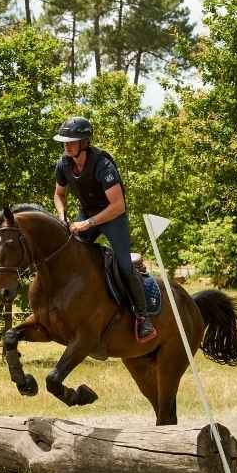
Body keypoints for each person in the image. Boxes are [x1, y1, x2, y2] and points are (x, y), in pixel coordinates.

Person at [52, 116, 156, 340]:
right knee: (68, 254)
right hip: (86, 213)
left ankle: (143, 317)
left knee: (124, 266)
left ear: (85, 143)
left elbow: (118, 206)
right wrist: (62, 217)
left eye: (72, 141)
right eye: (65, 141)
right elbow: (59, 195)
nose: (67, 145)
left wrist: (87, 223)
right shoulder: (63, 164)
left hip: (112, 217)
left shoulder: (103, 165)